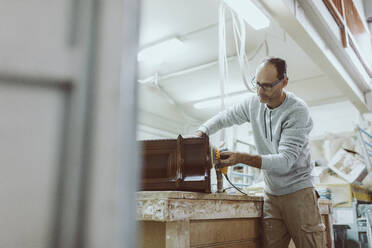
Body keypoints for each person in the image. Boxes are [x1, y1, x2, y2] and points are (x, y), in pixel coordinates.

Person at [196, 57, 325, 247]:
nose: (259, 92)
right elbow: (225, 117)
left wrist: (241, 158)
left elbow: (285, 161)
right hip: (271, 194)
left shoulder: (297, 111)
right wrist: (201, 132)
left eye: (266, 86)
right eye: (256, 84)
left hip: (299, 192)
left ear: (284, 82)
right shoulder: (253, 103)